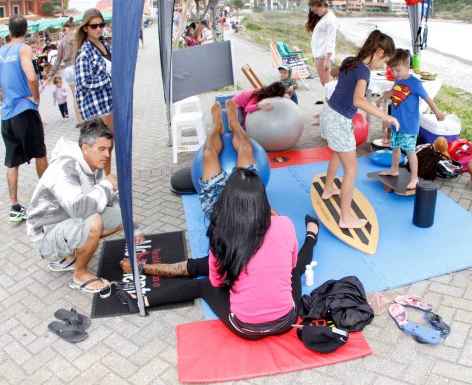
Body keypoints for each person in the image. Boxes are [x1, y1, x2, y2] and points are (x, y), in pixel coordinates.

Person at [117, 102, 320, 340]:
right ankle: (312, 234)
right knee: (290, 269)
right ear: (262, 199)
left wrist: (244, 280)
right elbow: (292, 264)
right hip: (287, 321)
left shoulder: (221, 234)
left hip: (246, 328)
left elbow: (217, 280)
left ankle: (141, 299)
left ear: (229, 199)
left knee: (203, 284)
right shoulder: (283, 225)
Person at [26, 119, 144, 293]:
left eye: (109, 149)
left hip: (65, 223)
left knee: (120, 218)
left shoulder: (93, 166)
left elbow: (109, 199)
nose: (107, 155)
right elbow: (80, 208)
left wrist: (134, 228)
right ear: (85, 148)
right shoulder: (65, 167)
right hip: (45, 239)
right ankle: (79, 274)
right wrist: (105, 186)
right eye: (101, 149)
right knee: (94, 222)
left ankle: (69, 255)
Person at [320, 30, 399, 229]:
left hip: (329, 112)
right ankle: (345, 218)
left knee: (338, 153)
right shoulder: (364, 71)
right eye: (385, 61)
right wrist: (385, 116)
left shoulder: (350, 60)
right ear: (379, 51)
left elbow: (334, 72)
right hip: (338, 120)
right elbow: (358, 100)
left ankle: (328, 189)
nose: (383, 65)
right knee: (351, 170)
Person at [0, 15, 48, 222]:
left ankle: (15, 207)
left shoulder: (1, 52)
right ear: (26, 31)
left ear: (9, 32)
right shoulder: (24, 48)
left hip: (7, 115)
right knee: (40, 152)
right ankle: (49, 198)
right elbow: (31, 75)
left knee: (12, 162)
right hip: (25, 110)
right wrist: (35, 98)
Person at [376, 49, 445, 189]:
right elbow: (394, 91)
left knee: (410, 151)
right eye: (392, 70)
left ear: (408, 67)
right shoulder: (398, 79)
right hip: (397, 124)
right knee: (395, 148)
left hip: (409, 125)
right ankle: (394, 169)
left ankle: (414, 178)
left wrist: (437, 112)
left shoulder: (414, 83)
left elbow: (427, 98)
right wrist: (383, 96)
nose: (395, 74)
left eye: (397, 70)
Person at [74, 8, 114, 175]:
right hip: (96, 108)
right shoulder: (84, 53)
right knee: (102, 150)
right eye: (94, 26)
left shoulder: (104, 43)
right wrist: (108, 79)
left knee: (108, 149)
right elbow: (83, 82)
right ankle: (102, 184)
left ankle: (106, 182)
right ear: (85, 28)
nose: (98, 29)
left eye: (101, 25)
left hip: (109, 103)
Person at [46, 22, 82, 125]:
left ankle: (80, 122)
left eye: (64, 29)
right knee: (82, 93)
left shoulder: (63, 41)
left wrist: (51, 75)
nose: (64, 31)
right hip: (77, 66)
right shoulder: (77, 38)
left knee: (75, 96)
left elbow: (58, 60)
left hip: (68, 69)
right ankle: (85, 118)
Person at [306, 0, 337, 86]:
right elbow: (320, 38)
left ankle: (331, 101)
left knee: (326, 84)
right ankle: (330, 100)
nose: (315, 13)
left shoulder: (330, 20)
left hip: (324, 56)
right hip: (320, 55)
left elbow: (331, 41)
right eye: (313, 11)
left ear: (322, 5)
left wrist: (327, 60)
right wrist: (315, 54)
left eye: (316, 10)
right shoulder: (324, 17)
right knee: (325, 83)